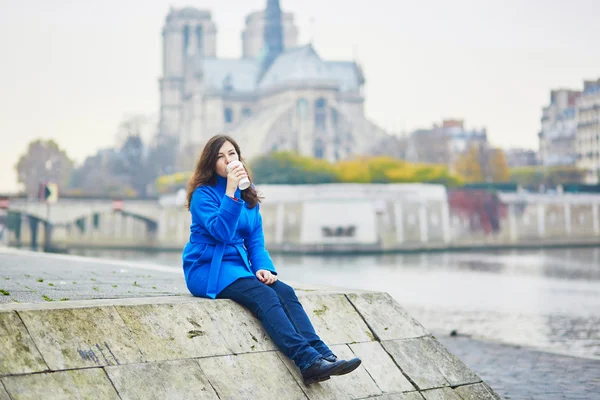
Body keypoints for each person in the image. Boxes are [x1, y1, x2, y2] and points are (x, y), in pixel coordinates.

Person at [182, 134, 361, 385]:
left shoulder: (249, 197)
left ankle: (322, 353)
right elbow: (221, 232)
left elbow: (255, 241)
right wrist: (231, 192)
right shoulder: (204, 195)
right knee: (263, 295)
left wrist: (264, 267)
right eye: (220, 157)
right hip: (207, 267)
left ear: (240, 158)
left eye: (232, 154)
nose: (228, 160)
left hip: (237, 267)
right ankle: (307, 360)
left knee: (283, 291)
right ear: (211, 164)